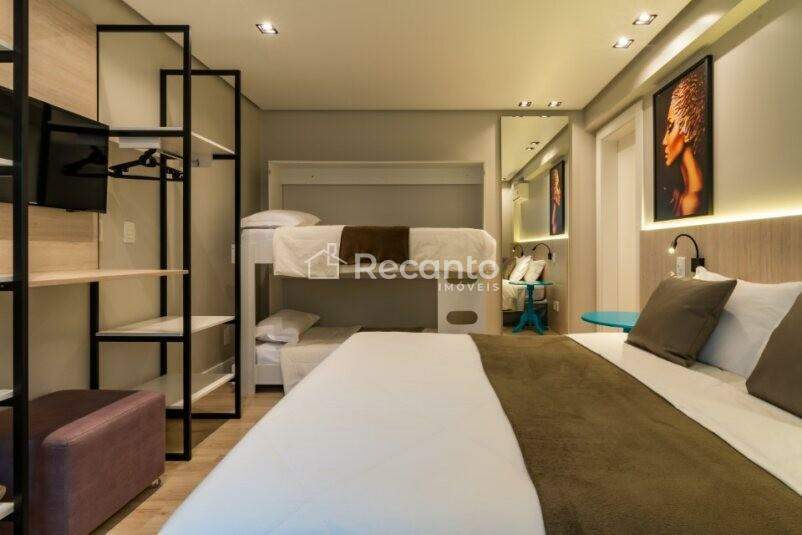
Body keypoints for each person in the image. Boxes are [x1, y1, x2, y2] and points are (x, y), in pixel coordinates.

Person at [661, 68, 707, 217]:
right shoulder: (683, 195)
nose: (664, 141)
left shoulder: (692, 202)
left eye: (670, 127)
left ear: (687, 130)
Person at [550, 167, 562, 234]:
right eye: (554, 179)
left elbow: (559, 202)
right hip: (554, 210)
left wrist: (557, 202)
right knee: (554, 223)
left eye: (556, 178)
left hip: (558, 210)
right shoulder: (552, 190)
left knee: (555, 223)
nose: (556, 180)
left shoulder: (559, 189)